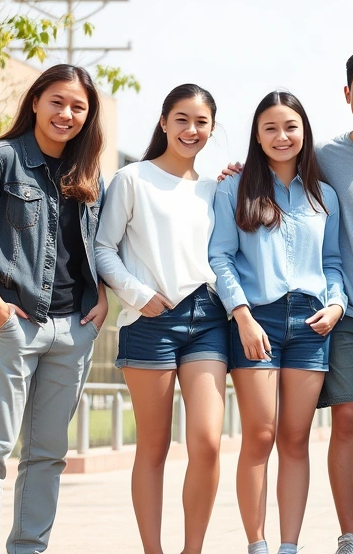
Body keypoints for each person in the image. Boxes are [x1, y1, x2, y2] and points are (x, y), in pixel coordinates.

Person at [221, 46, 353, 554]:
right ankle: (348, 536)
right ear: (347, 94)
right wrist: (235, 172)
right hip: (340, 319)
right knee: (345, 420)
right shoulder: (324, 158)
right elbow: (274, 162)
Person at [0, 63, 109, 554]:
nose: (67, 113)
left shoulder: (90, 173)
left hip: (72, 330)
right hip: (10, 324)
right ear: (35, 101)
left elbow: (100, 247)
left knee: (48, 455)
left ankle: (29, 548)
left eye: (79, 106)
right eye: (57, 101)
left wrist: (101, 295)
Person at [209, 91, 346, 554]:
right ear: (257, 135)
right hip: (257, 321)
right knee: (261, 435)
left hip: (312, 323)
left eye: (290, 127)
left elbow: (332, 262)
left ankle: (290, 545)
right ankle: (257, 544)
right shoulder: (234, 187)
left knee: (295, 437)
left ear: (303, 132)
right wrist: (242, 316)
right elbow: (220, 257)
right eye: (270, 128)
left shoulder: (323, 194)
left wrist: (337, 304)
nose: (281, 136)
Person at [95, 83, 228, 554]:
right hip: (149, 320)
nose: (192, 130)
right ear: (164, 121)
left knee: (208, 443)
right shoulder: (133, 179)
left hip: (208, 319)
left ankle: (192, 550)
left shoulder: (216, 189)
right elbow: (103, 249)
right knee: (152, 448)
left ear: (212, 128)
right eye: (182, 120)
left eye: (202, 122)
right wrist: (138, 293)